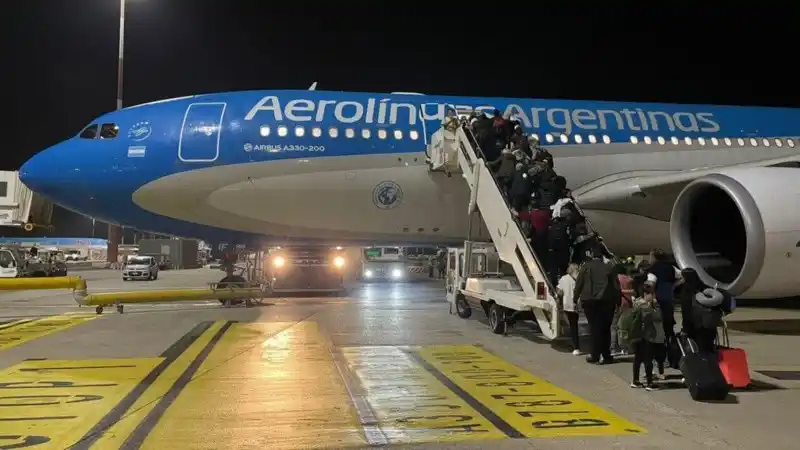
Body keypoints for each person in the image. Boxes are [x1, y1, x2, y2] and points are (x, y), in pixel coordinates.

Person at [574, 245, 620, 364]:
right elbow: (616, 286)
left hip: (589, 301)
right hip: (606, 301)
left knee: (594, 327)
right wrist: (618, 301)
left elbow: (579, 284)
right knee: (605, 328)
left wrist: (575, 299)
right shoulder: (609, 268)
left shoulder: (585, 267)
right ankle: (606, 354)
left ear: (591, 255)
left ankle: (595, 354)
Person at [627, 279, 665, 390]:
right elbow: (658, 317)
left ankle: (635, 381)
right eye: (651, 294)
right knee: (648, 359)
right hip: (646, 336)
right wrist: (656, 306)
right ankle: (649, 383)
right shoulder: (646, 306)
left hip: (636, 336)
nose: (653, 296)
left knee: (638, 358)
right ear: (645, 294)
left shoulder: (636, 303)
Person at [647, 249, 682, 338]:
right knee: (668, 316)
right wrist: (673, 285)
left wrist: (650, 295)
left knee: (658, 318)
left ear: (655, 258)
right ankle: (670, 337)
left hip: (658, 295)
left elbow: (651, 283)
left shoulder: (653, 268)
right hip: (669, 294)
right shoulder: (671, 267)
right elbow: (682, 276)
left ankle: (660, 339)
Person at [557, 263, 581, 355]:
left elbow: (559, 291)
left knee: (571, 325)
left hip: (567, 305)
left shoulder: (564, 279)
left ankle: (575, 346)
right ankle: (576, 346)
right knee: (574, 325)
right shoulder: (579, 279)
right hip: (577, 305)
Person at [611, 264, 635, 356]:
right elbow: (634, 290)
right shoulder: (629, 279)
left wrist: (620, 291)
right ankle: (624, 348)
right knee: (625, 327)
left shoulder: (614, 278)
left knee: (614, 327)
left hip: (616, 303)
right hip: (628, 304)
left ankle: (613, 348)